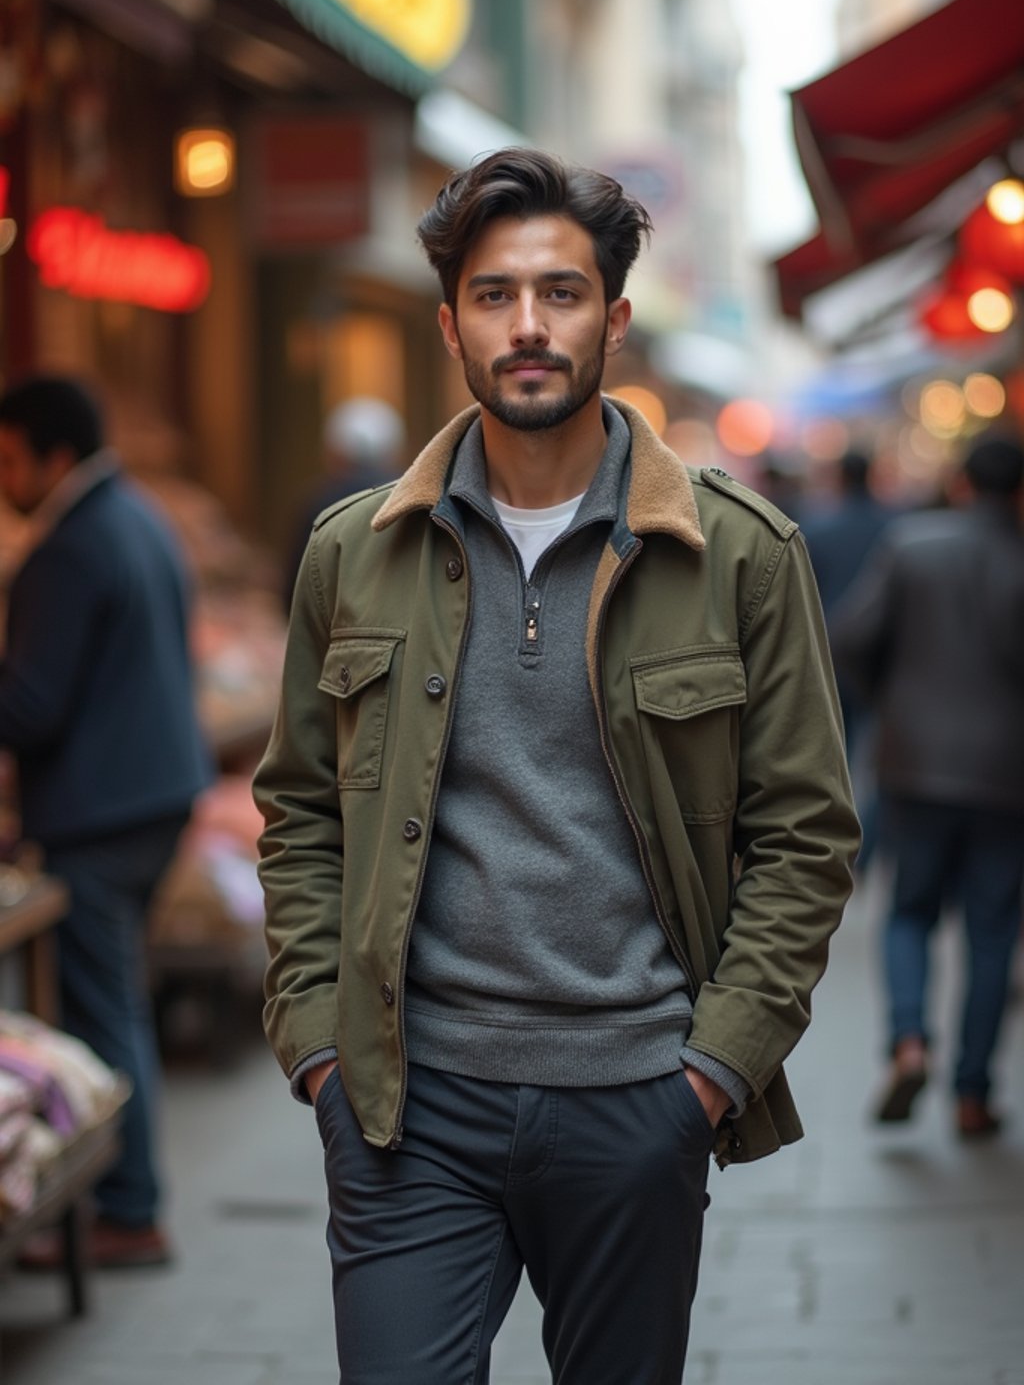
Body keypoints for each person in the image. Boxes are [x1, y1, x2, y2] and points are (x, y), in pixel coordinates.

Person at [254, 148, 858, 1385]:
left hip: (636, 1097)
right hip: (403, 1105)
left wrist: (713, 1071)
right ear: (449, 324)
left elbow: (805, 833)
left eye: (561, 293)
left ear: (614, 319)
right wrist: (316, 1039)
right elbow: (300, 813)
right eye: (493, 295)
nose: (527, 325)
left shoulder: (738, 554)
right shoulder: (351, 555)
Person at [0, 377, 211, 1266]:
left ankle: (127, 1210)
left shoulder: (69, 548)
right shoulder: (139, 516)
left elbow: (32, 706)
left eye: (10, 460)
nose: (4, 479)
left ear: (55, 456)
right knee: (112, 997)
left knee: (102, 1006)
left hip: (102, 811)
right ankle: (126, 1202)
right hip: (152, 795)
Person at [831, 434, 1024, 1138]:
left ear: (962, 482)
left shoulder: (913, 546)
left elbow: (847, 637)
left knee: (909, 911)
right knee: (992, 932)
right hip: (1007, 776)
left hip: (914, 765)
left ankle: (910, 1041)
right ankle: (973, 1094)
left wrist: (896, 700)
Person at [801, 449, 892, 869]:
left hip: (828, 656)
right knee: (876, 763)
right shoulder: (894, 526)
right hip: (882, 662)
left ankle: (838, 845)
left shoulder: (819, 529)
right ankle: (864, 850)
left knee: (836, 757)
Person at [282, 395, 406, 609]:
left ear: (333, 452)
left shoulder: (317, 504)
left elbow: (294, 592)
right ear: (394, 452)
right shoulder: (412, 500)